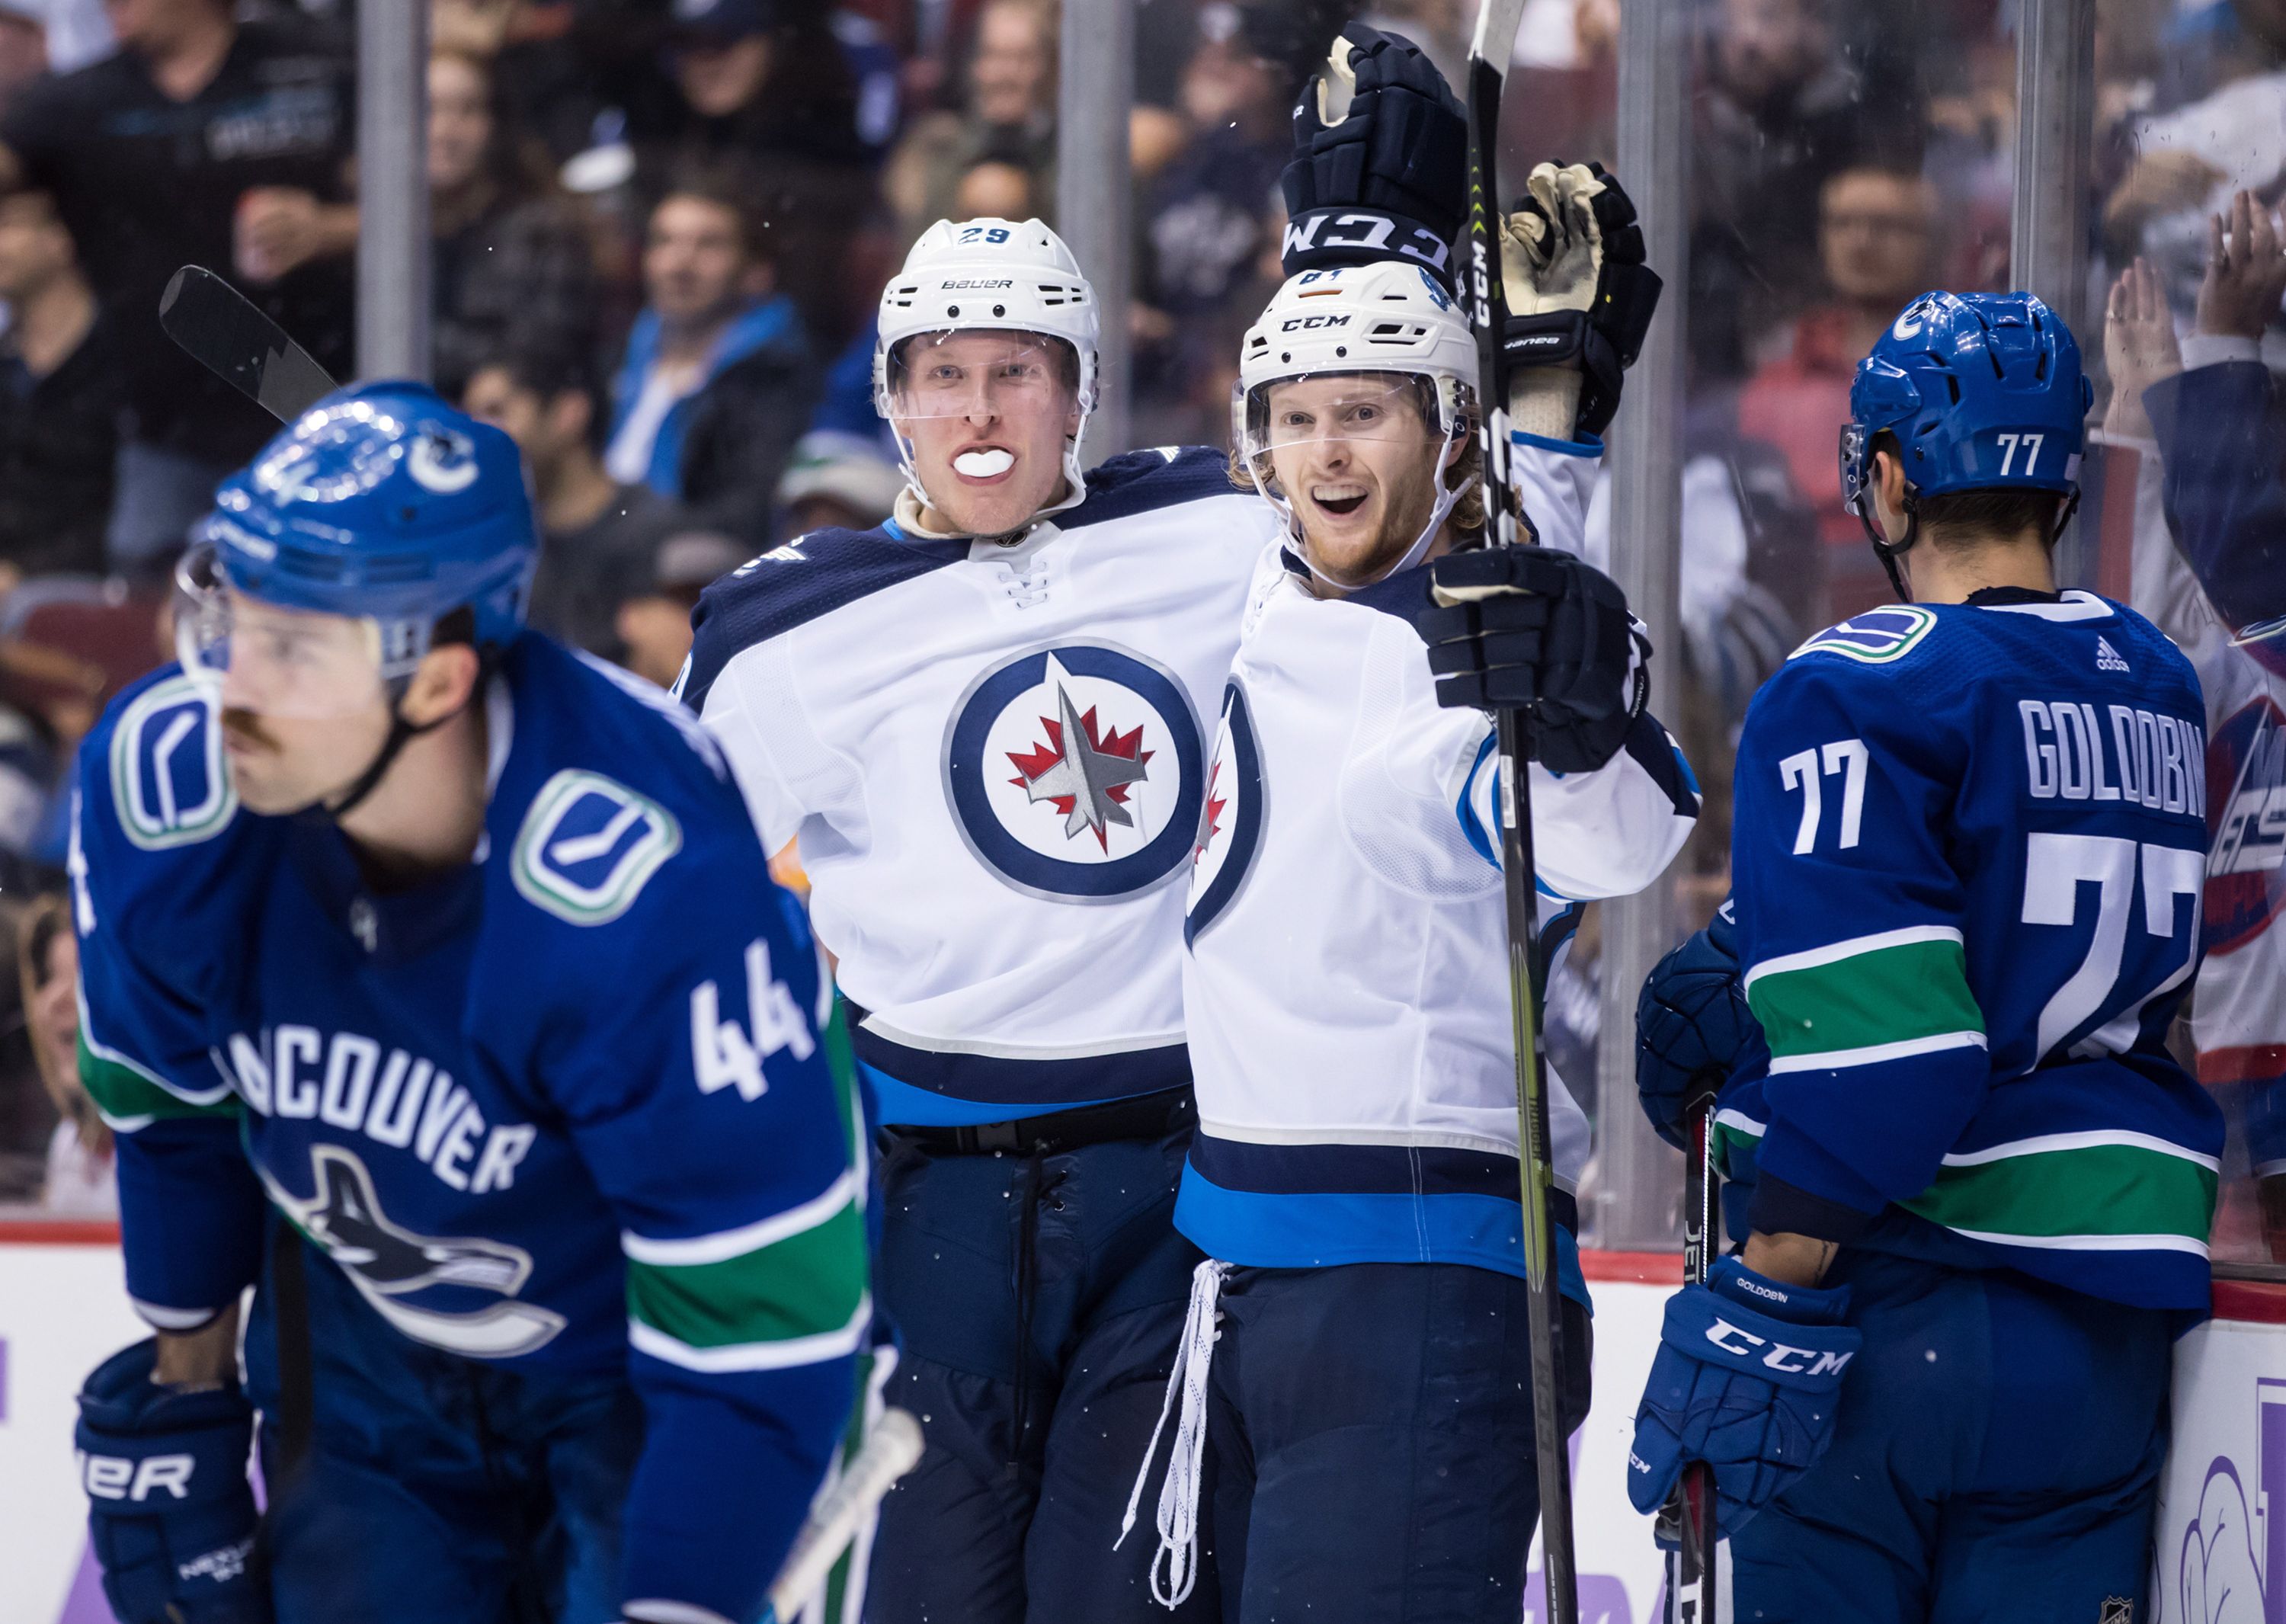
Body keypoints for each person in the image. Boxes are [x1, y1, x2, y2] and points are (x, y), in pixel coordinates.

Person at [677, 30, 1492, 1620]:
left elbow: (1406, 488)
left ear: (1078, 393)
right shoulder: (778, 631)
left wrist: (1404, 278)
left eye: (1019, 371)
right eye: (944, 376)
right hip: (926, 1202)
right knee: (926, 1589)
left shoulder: (1211, 522)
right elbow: (681, 910)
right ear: (895, 402)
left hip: (1173, 1184)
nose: (982, 409)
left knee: (1130, 1599)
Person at [68, 383, 866, 1624]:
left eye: (291, 648)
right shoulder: (164, 791)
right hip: (364, 1343)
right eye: (227, 618)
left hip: (642, 1362)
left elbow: (756, 1335)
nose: (227, 684)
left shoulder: (652, 891)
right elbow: (174, 1111)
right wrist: (187, 1389)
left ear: (437, 681)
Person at [1125, 164, 1694, 1616]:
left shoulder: (1466, 674)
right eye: (1297, 417)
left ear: (1445, 437)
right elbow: (1496, 487)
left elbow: (1613, 835)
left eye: (1367, 412)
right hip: (1235, 1274)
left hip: (1424, 1282)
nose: (1325, 448)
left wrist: (1584, 715)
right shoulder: (1268, 596)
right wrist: (1544, 399)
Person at [1628, 291, 2224, 1621]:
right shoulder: (2153, 679)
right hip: (2101, 1334)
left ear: (1886, 474)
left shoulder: (1857, 681)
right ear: (2060, 480)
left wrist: (1768, 1289)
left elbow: (1892, 1056)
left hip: (1889, 1299)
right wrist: (1758, 943)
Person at [0, 0, 356, 567]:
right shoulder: (80, 102)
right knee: (150, 617)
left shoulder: (312, 67)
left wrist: (329, 228)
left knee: (319, 599)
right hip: (164, 430)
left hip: (311, 415)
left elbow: (435, 208)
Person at [1737, 162, 1941, 621]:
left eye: (1885, 226)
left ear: (1927, 241)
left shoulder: (1956, 372)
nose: (1861, 241)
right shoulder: (1778, 381)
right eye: (1844, 223)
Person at [605, 170, 816, 544]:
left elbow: (742, 518)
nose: (679, 264)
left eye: (709, 245)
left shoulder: (773, 377)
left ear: (756, 273)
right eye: (664, 242)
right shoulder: (621, 347)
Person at [463, 338, 687, 661]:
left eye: (496, 412)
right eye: (471, 419)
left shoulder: (657, 535)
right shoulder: (494, 547)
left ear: (569, 413)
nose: (479, 437)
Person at [426, 46, 602, 395]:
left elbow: (538, 364)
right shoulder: (374, 231)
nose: (446, 131)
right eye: (429, 109)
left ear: (496, 125)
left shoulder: (543, 230)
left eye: (468, 110)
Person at [0, 185, 116, 579]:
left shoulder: (119, 359)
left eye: (7, 225)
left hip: (88, 578)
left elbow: (127, 504)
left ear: (61, 238)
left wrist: (25, 572)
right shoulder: (6, 359)